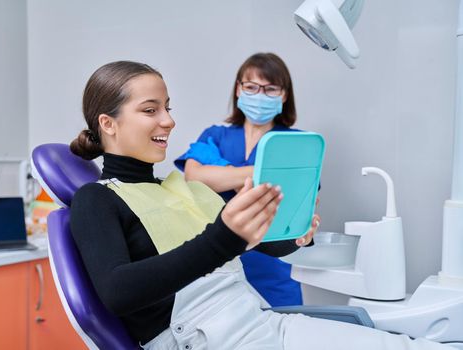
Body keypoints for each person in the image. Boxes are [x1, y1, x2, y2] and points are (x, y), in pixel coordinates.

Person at [69, 60, 451, 349]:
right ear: (108, 123)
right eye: (151, 110)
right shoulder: (98, 199)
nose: (168, 121)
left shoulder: (182, 188)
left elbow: (266, 244)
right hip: (206, 338)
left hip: (261, 322)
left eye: (168, 107)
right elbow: (118, 293)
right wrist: (224, 238)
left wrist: (295, 231)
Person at [174, 52, 312, 307]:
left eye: (270, 88)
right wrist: (263, 176)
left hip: (274, 265)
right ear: (239, 90)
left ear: (283, 94)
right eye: (251, 87)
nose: (260, 95)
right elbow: (194, 177)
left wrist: (222, 174)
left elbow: (298, 200)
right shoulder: (214, 135)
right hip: (217, 264)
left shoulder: (298, 142)